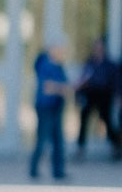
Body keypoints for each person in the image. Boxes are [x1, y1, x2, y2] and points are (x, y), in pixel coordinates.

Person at [29, 39, 70, 180]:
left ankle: (58, 171)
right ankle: (33, 169)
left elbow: (64, 86)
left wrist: (61, 88)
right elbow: (48, 87)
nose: (61, 53)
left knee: (58, 140)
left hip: (57, 106)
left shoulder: (59, 66)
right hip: (45, 107)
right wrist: (61, 88)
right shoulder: (44, 65)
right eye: (59, 50)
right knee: (42, 140)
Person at [74, 37, 121, 159]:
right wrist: (78, 95)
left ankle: (116, 146)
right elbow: (82, 80)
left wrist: (118, 96)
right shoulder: (89, 63)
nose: (97, 49)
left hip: (104, 94)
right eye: (95, 47)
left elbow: (116, 82)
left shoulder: (109, 65)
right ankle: (80, 148)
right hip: (91, 93)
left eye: (99, 47)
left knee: (106, 120)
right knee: (84, 118)